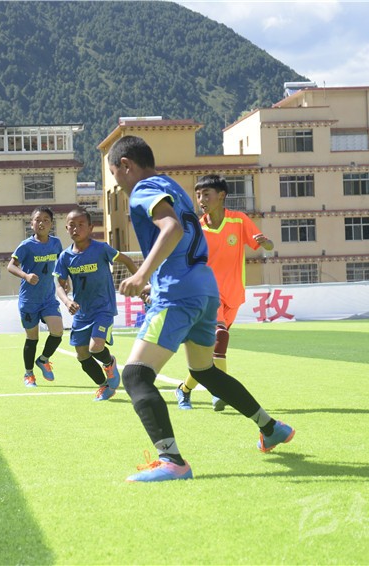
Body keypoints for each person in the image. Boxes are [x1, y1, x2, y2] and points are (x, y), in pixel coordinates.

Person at [107, 135, 294, 482]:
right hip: (205, 288)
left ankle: (172, 461)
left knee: (134, 375)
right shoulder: (172, 187)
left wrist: (143, 274)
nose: (117, 183)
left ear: (126, 166)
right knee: (205, 370)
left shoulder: (144, 189)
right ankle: (271, 428)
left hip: (179, 293)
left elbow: (172, 228)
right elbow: (184, 237)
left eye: (115, 174)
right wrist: (155, 280)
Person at [175, 174, 274, 410]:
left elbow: (267, 246)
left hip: (234, 294)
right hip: (207, 294)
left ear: (221, 196)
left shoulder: (239, 220)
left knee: (208, 353)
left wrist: (266, 243)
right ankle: (220, 392)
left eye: (205, 194)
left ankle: (184, 389)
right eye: (198, 195)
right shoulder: (196, 228)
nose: (201, 199)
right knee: (220, 337)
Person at [54, 207, 138, 401]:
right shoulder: (65, 257)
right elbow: (59, 284)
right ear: (66, 228)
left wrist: (140, 282)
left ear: (91, 227)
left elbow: (126, 260)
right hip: (82, 313)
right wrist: (67, 301)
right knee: (82, 354)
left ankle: (109, 364)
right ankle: (104, 385)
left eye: (81, 224)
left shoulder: (101, 249)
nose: (76, 228)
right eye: (72, 225)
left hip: (103, 308)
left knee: (95, 347)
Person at [7, 207, 64, 387]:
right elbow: (11, 266)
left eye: (46, 220)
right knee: (32, 338)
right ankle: (29, 374)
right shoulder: (26, 246)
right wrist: (26, 276)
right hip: (29, 300)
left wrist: (64, 280)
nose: (41, 223)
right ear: (31, 224)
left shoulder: (56, 243)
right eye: (38, 220)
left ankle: (43, 359)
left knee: (58, 331)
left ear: (51, 224)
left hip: (48, 299)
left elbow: (61, 264)